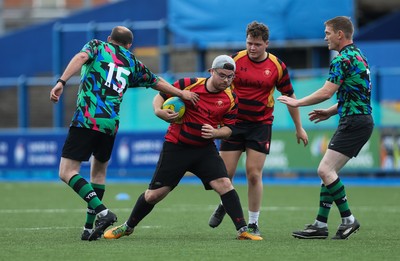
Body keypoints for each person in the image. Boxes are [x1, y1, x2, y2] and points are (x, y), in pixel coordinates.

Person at [49, 26, 198, 241]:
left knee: (66, 171)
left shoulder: (97, 46)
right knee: (98, 173)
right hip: (110, 124)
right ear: (129, 45)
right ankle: (89, 228)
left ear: (110, 39)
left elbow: (82, 56)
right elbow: (157, 82)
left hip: (87, 118)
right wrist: (180, 92)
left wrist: (61, 82)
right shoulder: (132, 62)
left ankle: (103, 212)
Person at [103, 55, 263, 241]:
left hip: (205, 149)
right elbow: (160, 96)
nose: (226, 80)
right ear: (211, 72)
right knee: (154, 195)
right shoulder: (188, 83)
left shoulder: (231, 98)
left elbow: (229, 129)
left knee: (225, 184)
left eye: (230, 77)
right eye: (222, 75)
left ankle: (243, 230)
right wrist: (159, 111)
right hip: (176, 146)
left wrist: (215, 133)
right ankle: (128, 227)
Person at [208, 21, 308, 236]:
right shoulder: (235, 61)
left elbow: (290, 96)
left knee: (254, 174)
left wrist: (299, 127)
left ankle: (253, 223)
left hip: (260, 125)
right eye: (249, 43)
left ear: (267, 44)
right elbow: (216, 85)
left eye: (257, 44)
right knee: (225, 175)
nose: (252, 48)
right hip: (232, 124)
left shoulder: (277, 66)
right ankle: (225, 204)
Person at [277, 16, 374, 240]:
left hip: (354, 121)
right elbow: (356, 93)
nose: (325, 38)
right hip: (359, 119)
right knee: (328, 173)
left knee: (324, 170)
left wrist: (297, 102)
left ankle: (348, 219)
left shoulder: (341, 59)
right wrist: (330, 111)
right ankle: (320, 224)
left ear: (340, 34)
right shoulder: (359, 56)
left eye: (328, 33)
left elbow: (326, 91)